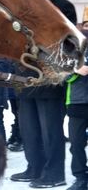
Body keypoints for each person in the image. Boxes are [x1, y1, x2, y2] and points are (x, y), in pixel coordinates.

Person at [11, 0, 77, 188]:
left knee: (51, 131)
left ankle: (54, 173)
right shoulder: (26, 8)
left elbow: (64, 44)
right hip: (26, 79)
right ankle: (34, 167)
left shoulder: (63, 7)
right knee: (29, 130)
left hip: (49, 80)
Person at [63, 10, 88, 190]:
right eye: (86, 25)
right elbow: (61, 75)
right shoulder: (73, 48)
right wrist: (75, 71)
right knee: (76, 143)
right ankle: (80, 177)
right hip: (77, 103)